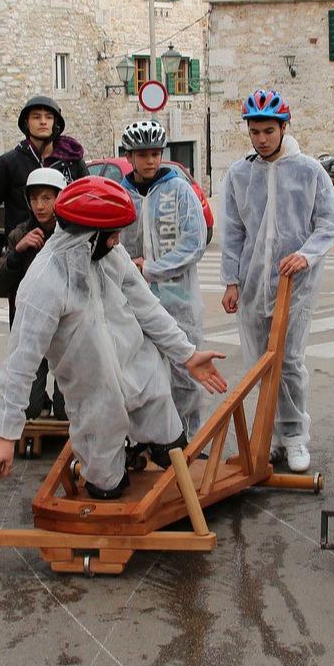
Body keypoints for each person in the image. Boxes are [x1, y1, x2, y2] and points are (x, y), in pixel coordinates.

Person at [0, 176, 228, 499]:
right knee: (107, 485)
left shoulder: (110, 255)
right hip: (94, 394)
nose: (117, 241)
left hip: (142, 375)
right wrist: (5, 434)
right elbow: (20, 363)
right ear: (87, 233)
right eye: (112, 235)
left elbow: (147, 307)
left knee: (172, 448)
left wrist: (186, 353)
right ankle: (109, 481)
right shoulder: (43, 283)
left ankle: (154, 447)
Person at [220, 90, 334, 472]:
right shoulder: (240, 174)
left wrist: (306, 254)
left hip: (296, 286)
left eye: (268, 131)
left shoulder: (308, 171)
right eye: (254, 132)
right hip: (254, 287)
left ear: (284, 128)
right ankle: (269, 435)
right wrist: (231, 281)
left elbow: (328, 222)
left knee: (288, 361)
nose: (261, 139)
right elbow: (233, 230)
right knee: (259, 364)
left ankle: (295, 437)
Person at [118, 120, 209, 436]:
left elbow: (194, 241)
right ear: (129, 156)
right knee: (143, 372)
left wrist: (152, 267)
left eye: (156, 153)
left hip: (178, 300)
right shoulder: (122, 193)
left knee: (186, 372)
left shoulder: (179, 189)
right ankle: (153, 439)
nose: (151, 161)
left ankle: (190, 439)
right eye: (142, 154)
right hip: (135, 303)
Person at [0, 167, 67, 419]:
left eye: (46, 198)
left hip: (67, 330)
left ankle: (62, 401)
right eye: (34, 199)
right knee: (30, 409)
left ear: (59, 198)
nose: (40, 205)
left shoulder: (73, 234)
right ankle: (40, 399)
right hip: (31, 330)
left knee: (68, 411)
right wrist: (17, 252)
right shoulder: (19, 234)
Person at [0, 95, 88, 262]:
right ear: (26, 123)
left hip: (66, 254)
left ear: (55, 124)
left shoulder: (72, 162)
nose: (43, 122)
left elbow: (87, 203)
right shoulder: (9, 163)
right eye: (36, 117)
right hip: (23, 255)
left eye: (48, 117)